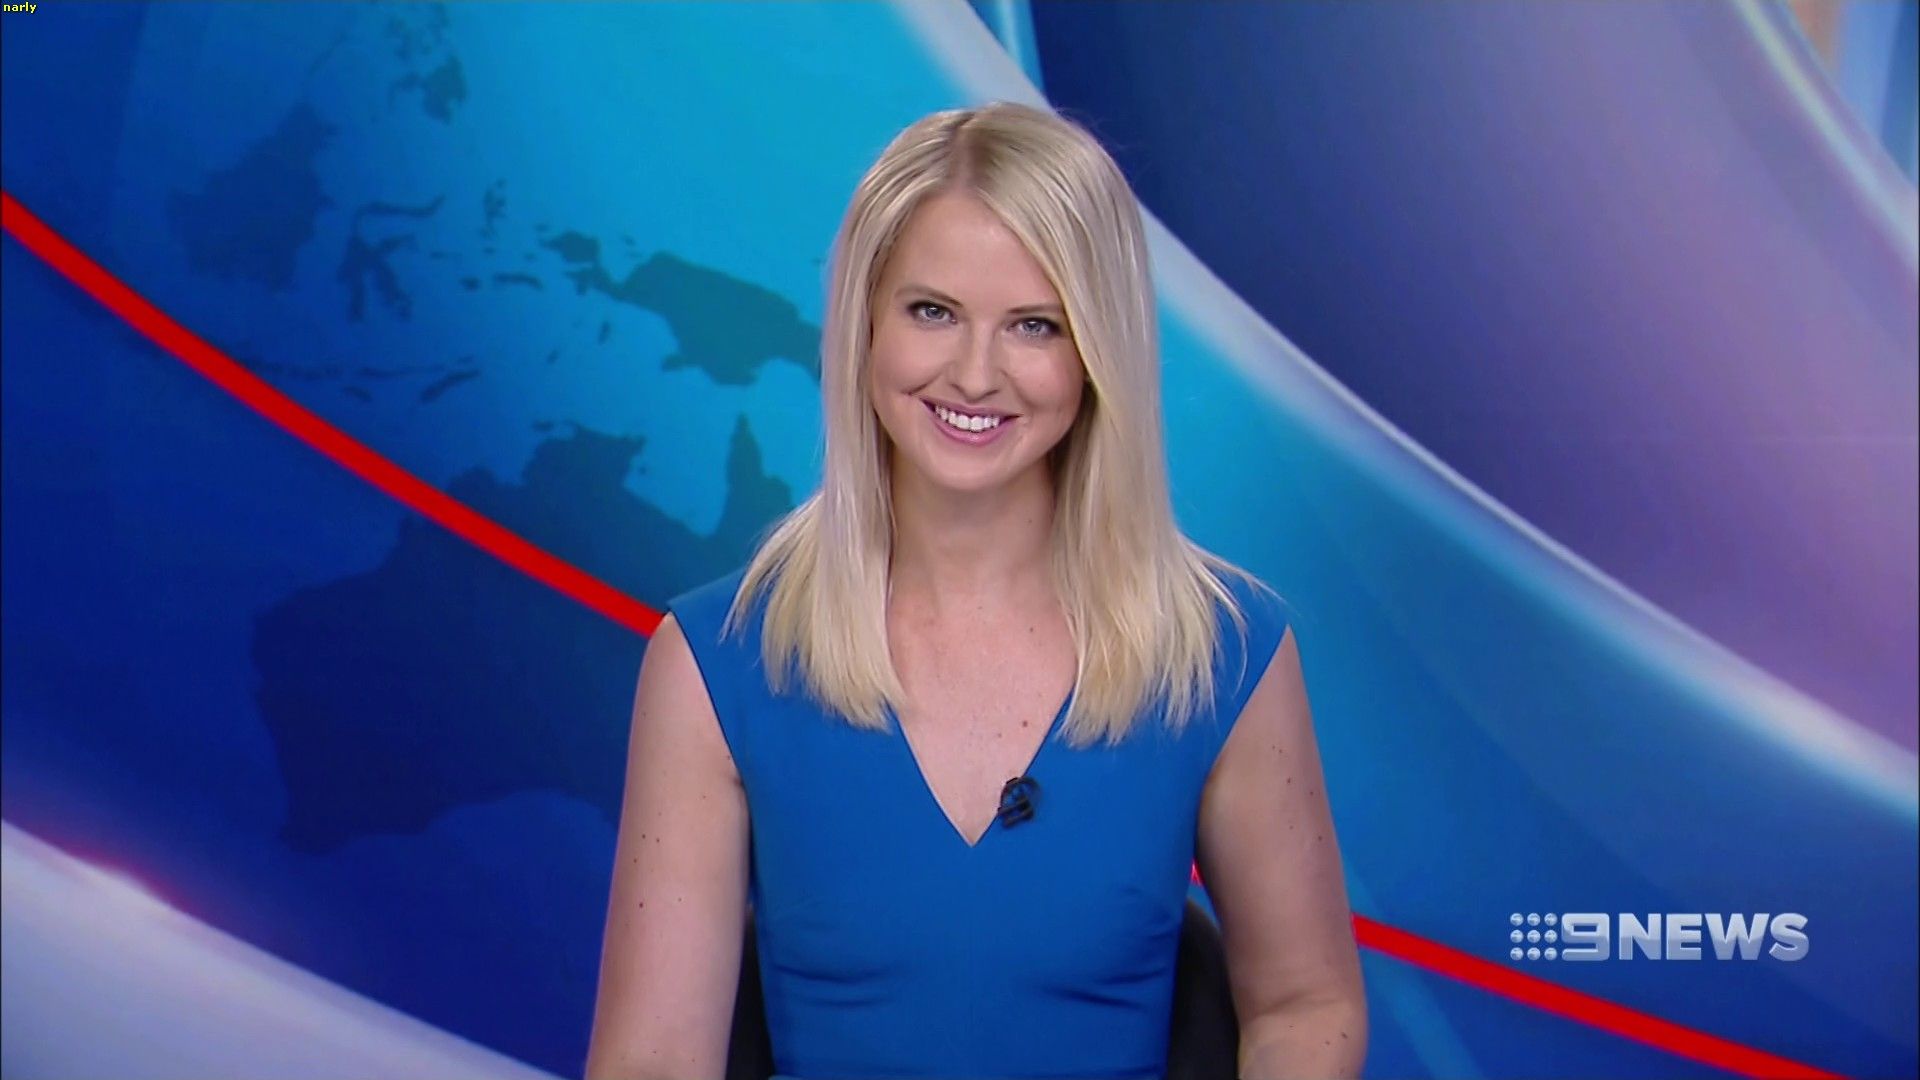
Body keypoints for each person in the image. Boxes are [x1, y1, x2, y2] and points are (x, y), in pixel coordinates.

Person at [584, 101, 1365, 1080]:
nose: (975, 374)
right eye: (933, 312)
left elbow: (1306, 1008)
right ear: (866, 324)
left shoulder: (1224, 655)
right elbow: (654, 1061)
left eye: (1034, 326)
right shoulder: (715, 664)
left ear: (1097, 353)